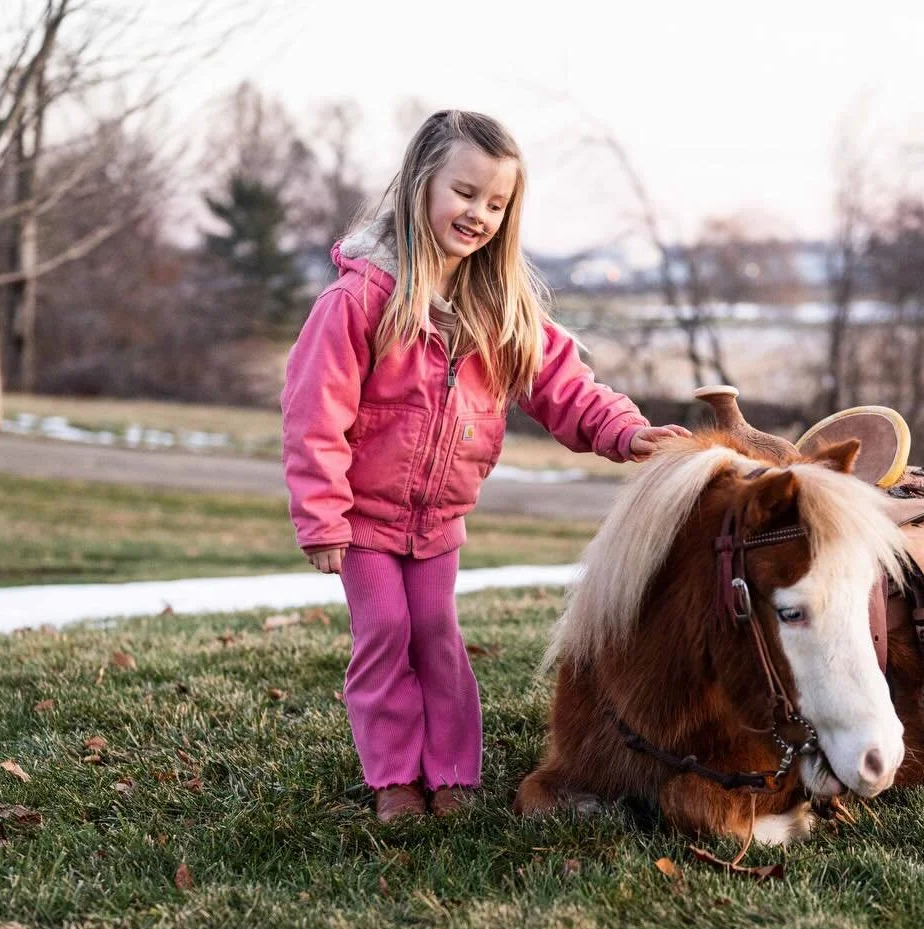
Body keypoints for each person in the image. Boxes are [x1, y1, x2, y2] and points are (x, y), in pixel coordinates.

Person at [280, 110, 688, 822]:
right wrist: (321, 517)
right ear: (420, 186)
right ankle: (396, 781)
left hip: (438, 521)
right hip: (364, 518)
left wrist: (628, 434)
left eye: (496, 204)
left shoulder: (499, 311)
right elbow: (315, 414)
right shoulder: (361, 301)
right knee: (384, 636)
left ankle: (454, 775)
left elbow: (565, 387)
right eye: (465, 192)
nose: (479, 213)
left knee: (436, 637)